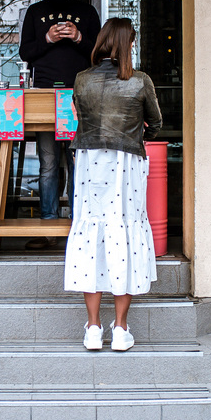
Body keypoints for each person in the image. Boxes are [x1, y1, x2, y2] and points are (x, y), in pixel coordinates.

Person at [64, 18, 162, 352]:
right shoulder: (140, 80)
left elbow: (81, 116)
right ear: (127, 44)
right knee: (124, 233)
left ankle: (93, 328)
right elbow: (156, 123)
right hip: (126, 164)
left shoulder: (82, 79)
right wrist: (137, 133)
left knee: (90, 235)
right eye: (132, 42)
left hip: (89, 162)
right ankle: (120, 328)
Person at [18, 0, 101, 248]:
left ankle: (80, 228)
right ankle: (48, 228)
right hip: (44, 94)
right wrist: (48, 38)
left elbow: (99, 54)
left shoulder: (87, 12)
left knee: (79, 164)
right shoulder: (35, 11)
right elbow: (25, 52)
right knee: (48, 164)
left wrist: (78, 37)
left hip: (80, 94)